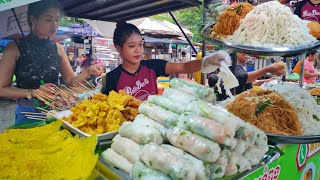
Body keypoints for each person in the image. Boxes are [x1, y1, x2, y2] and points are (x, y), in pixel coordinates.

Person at [0, 0, 102, 125]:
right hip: (27, 112)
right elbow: (2, 89)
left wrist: (88, 71)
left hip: (54, 110)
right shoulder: (14, 48)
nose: (55, 25)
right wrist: (35, 92)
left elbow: (70, 82)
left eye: (57, 19)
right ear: (33, 20)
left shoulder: (58, 48)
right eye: (49, 20)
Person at [101, 22, 220, 101]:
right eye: (132, 46)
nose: (138, 50)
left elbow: (184, 67)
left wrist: (208, 61)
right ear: (118, 48)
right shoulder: (112, 77)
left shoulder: (152, 66)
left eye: (140, 45)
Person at [208, 53, 284, 100]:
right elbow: (241, 78)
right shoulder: (233, 65)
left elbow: (241, 85)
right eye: (245, 53)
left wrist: (263, 82)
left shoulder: (239, 66)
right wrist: (267, 69)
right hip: (231, 103)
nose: (248, 55)